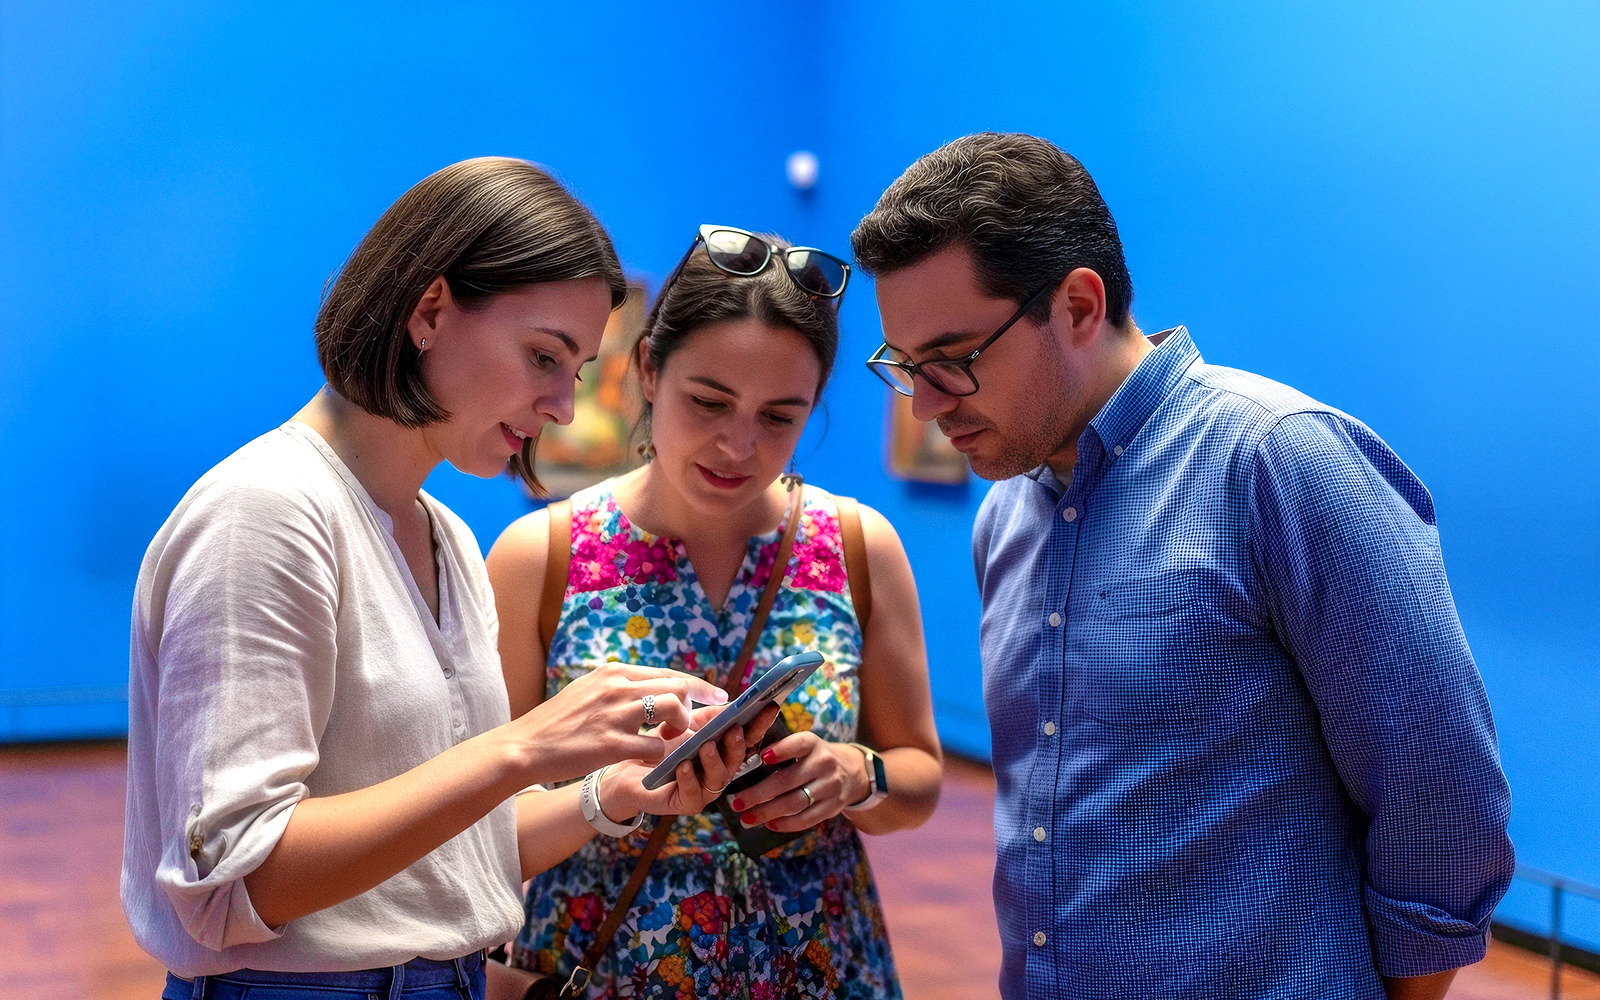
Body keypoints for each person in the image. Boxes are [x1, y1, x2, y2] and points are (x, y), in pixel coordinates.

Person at [849, 133, 1514, 1000]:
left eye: (954, 361)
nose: (928, 405)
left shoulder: (1280, 463)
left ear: (1080, 306)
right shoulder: (1004, 514)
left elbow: (1442, 794)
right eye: (905, 367)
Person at [122, 158, 761, 1000]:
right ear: (430, 311)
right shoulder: (266, 512)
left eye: (573, 372)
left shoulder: (445, 535)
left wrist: (613, 793)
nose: (563, 407)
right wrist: (526, 746)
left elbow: (447, 854)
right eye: (544, 357)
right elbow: (242, 880)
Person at [486, 225, 944, 998]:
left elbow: (920, 777)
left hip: (817, 957)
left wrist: (855, 776)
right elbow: (486, 823)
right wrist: (607, 800)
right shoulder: (545, 554)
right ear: (648, 371)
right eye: (709, 401)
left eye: (779, 417)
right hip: (610, 959)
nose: (738, 446)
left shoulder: (857, 545)